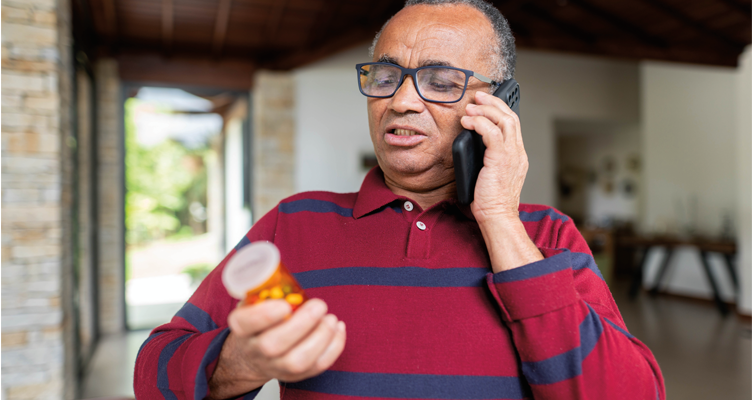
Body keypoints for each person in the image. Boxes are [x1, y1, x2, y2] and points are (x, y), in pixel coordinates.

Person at [134, 0, 665, 399]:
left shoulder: (547, 237)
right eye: (387, 76)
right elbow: (153, 372)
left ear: (499, 104)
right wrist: (238, 361)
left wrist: (500, 219)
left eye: (441, 81)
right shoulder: (294, 224)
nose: (401, 100)